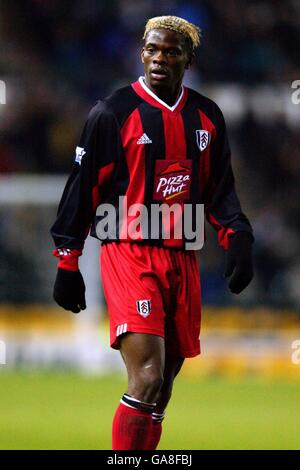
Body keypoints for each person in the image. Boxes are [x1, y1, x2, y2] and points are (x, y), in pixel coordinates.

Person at [51, 15, 254, 450]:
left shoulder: (206, 116)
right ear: (141, 52)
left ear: (188, 59)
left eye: (170, 51)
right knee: (146, 377)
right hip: (130, 251)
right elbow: (82, 187)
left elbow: (220, 189)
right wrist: (68, 261)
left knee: (163, 389)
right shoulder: (113, 113)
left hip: (182, 255)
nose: (159, 58)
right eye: (151, 49)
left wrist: (237, 236)